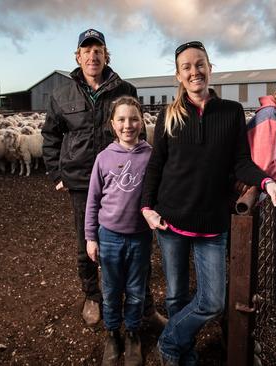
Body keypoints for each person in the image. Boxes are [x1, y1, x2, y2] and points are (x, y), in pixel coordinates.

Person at [140, 41, 276, 366]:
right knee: (176, 295)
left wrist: (268, 182)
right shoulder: (168, 114)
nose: (194, 71)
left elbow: (241, 162)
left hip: (212, 223)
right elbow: (156, 165)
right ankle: (184, 352)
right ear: (179, 75)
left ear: (210, 67)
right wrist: (147, 208)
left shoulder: (231, 111)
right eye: (186, 67)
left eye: (199, 64)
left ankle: (168, 343)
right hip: (170, 221)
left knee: (212, 302)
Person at [41, 28, 165, 329]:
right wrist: (58, 172)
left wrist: (147, 174)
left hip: (124, 179)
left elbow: (138, 132)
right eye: (87, 50)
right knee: (87, 239)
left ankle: (145, 305)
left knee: (137, 239)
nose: (92, 56)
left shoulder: (124, 89)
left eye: (98, 50)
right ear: (78, 56)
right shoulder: (62, 94)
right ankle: (93, 296)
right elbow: (50, 135)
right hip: (82, 179)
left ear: (105, 55)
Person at [85, 96, 152, 366]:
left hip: (140, 236)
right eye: (122, 120)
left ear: (142, 121)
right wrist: (91, 237)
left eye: (134, 119)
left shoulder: (150, 155)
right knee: (111, 290)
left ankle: (133, 334)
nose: (128, 125)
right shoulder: (103, 158)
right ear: (113, 124)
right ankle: (113, 334)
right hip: (109, 235)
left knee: (136, 288)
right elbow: (92, 200)